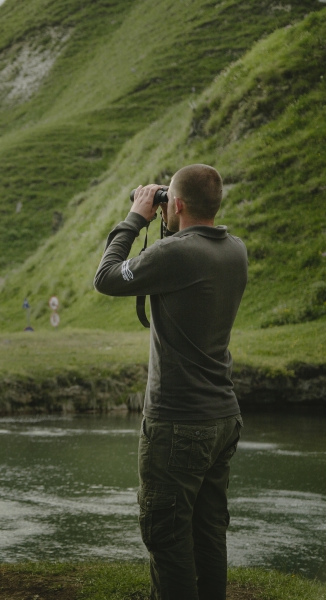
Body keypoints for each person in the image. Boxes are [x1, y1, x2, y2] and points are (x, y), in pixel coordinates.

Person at [93, 164, 248, 600]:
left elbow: (105, 278)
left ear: (175, 205)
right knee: (208, 532)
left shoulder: (178, 254)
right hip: (222, 415)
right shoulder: (235, 249)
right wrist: (168, 222)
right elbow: (176, 260)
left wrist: (137, 218)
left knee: (166, 536)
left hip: (179, 421)